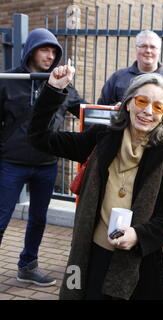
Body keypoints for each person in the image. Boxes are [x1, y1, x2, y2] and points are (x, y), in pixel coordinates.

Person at [28, 63, 163, 299]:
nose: (148, 111)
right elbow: (40, 138)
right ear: (129, 103)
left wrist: (139, 235)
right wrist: (53, 91)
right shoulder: (102, 138)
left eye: (158, 106)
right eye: (142, 101)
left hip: (140, 265)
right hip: (93, 257)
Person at [0, 28, 85, 287]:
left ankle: (28, 266)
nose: (50, 56)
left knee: (38, 219)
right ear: (31, 51)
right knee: (1, 217)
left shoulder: (61, 82)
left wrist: (115, 112)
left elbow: (84, 110)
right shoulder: (8, 79)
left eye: (54, 52)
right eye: (44, 50)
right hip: (11, 162)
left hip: (46, 163)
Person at [97, 29, 163, 130]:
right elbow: (102, 110)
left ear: (159, 51)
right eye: (143, 46)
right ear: (136, 49)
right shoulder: (117, 78)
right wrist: (118, 109)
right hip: (120, 141)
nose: (148, 51)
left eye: (153, 47)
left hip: (158, 142)